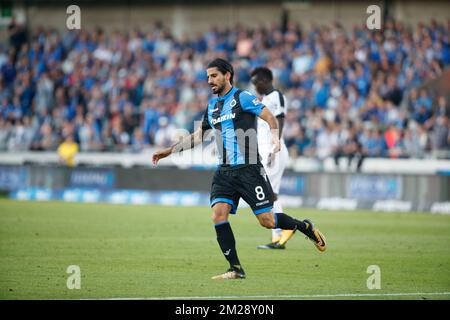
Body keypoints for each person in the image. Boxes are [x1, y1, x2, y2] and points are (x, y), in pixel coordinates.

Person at [152, 58, 326, 280]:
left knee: (268, 221)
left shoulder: (243, 97)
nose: (209, 81)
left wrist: (275, 138)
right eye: (207, 77)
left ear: (227, 75)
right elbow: (198, 136)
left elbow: (270, 117)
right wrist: (169, 151)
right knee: (218, 214)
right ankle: (235, 268)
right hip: (224, 172)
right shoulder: (213, 106)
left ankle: (304, 227)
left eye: (214, 76)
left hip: (248, 169)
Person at [250, 67, 293, 250]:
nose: (255, 87)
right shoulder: (265, 100)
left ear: (265, 80)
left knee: (269, 193)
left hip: (273, 151)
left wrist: (274, 147)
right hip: (266, 151)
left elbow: (280, 120)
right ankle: (277, 236)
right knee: (269, 193)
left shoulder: (276, 97)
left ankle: (285, 229)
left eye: (256, 83)